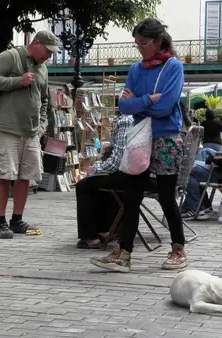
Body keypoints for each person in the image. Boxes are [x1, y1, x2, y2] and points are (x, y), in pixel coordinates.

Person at [89, 18, 186, 273]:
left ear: (157, 41)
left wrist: (139, 102)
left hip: (165, 138)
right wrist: (149, 99)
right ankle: (124, 252)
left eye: (143, 43)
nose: (140, 48)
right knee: (131, 195)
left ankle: (178, 248)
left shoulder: (173, 67)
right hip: (139, 137)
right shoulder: (136, 69)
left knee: (166, 196)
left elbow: (166, 107)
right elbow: (124, 106)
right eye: (137, 44)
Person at [0, 30, 59, 239]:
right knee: (4, 174)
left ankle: (17, 219)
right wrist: (18, 81)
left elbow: (44, 100)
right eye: (47, 51)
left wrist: (42, 123)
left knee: (26, 176)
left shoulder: (43, 68)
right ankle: (1, 222)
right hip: (7, 127)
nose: (49, 57)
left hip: (31, 131)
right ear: (36, 44)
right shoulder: (11, 56)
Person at [76, 112, 133, 249]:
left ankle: (90, 236)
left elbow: (116, 162)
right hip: (137, 174)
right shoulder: (141, 116)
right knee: (99, 182)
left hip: (128, 175)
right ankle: (104, 229)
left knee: (84, 185)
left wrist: (96, 168)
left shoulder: (126, 120)